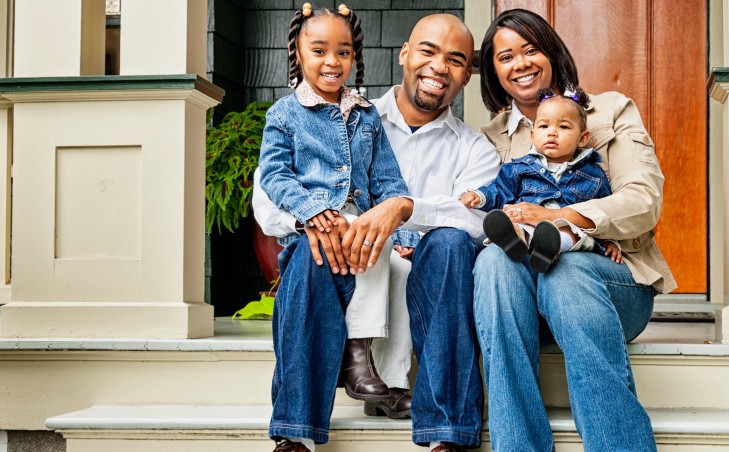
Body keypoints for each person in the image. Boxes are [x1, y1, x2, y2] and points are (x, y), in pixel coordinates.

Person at [254, 13, 499, 451]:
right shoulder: (321, 115)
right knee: (315, 251)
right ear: (404, 54)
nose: (439, 67)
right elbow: (268, 199)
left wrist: (403, 215)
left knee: (447, 244)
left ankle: (446, 433)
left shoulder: (473, 148)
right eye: (428, 50)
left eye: (456, 60)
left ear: (467, 74)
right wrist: (315, 221)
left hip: (424, 275)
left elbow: (477, 222)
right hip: (334, 257)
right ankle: (296, 432)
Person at [472, 8, 678, 452]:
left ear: (551, 52)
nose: (520, 63)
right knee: (492, 260)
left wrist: (560, 220)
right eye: (505, 56)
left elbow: (643, 200)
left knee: (566, 272)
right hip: (520, 302)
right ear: (493, 71)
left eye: (530, 50)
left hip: (609, 286)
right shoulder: (488, 138)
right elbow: (479, 213)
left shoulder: (610, 111)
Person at [258, 4, 413, 451]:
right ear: (298, 53)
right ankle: (315, 410)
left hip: (359, 231)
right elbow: (275, 175)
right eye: (319, 50)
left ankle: (351, 362)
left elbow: (389, 183)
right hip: (313, 233)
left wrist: (400, 235)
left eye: (343, 52)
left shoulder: (366, 116)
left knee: (372, 240)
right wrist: (311, 212)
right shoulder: (285, 115)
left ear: (355, 57)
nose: (332, 61)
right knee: (310, 270)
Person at [460, 87, 625, 272]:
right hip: (527, 224)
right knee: (518, 222)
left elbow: (603, 211)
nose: (552, 133)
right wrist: (479, 196)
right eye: (544, 126)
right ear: (532, 135)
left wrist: (611, 241)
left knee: (569, 231)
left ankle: (549, 249)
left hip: (569, 232)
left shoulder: (594, 175)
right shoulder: (519, 168)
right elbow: (499, 190)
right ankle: (515, 240)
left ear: (582, 138)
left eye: (563, 127)